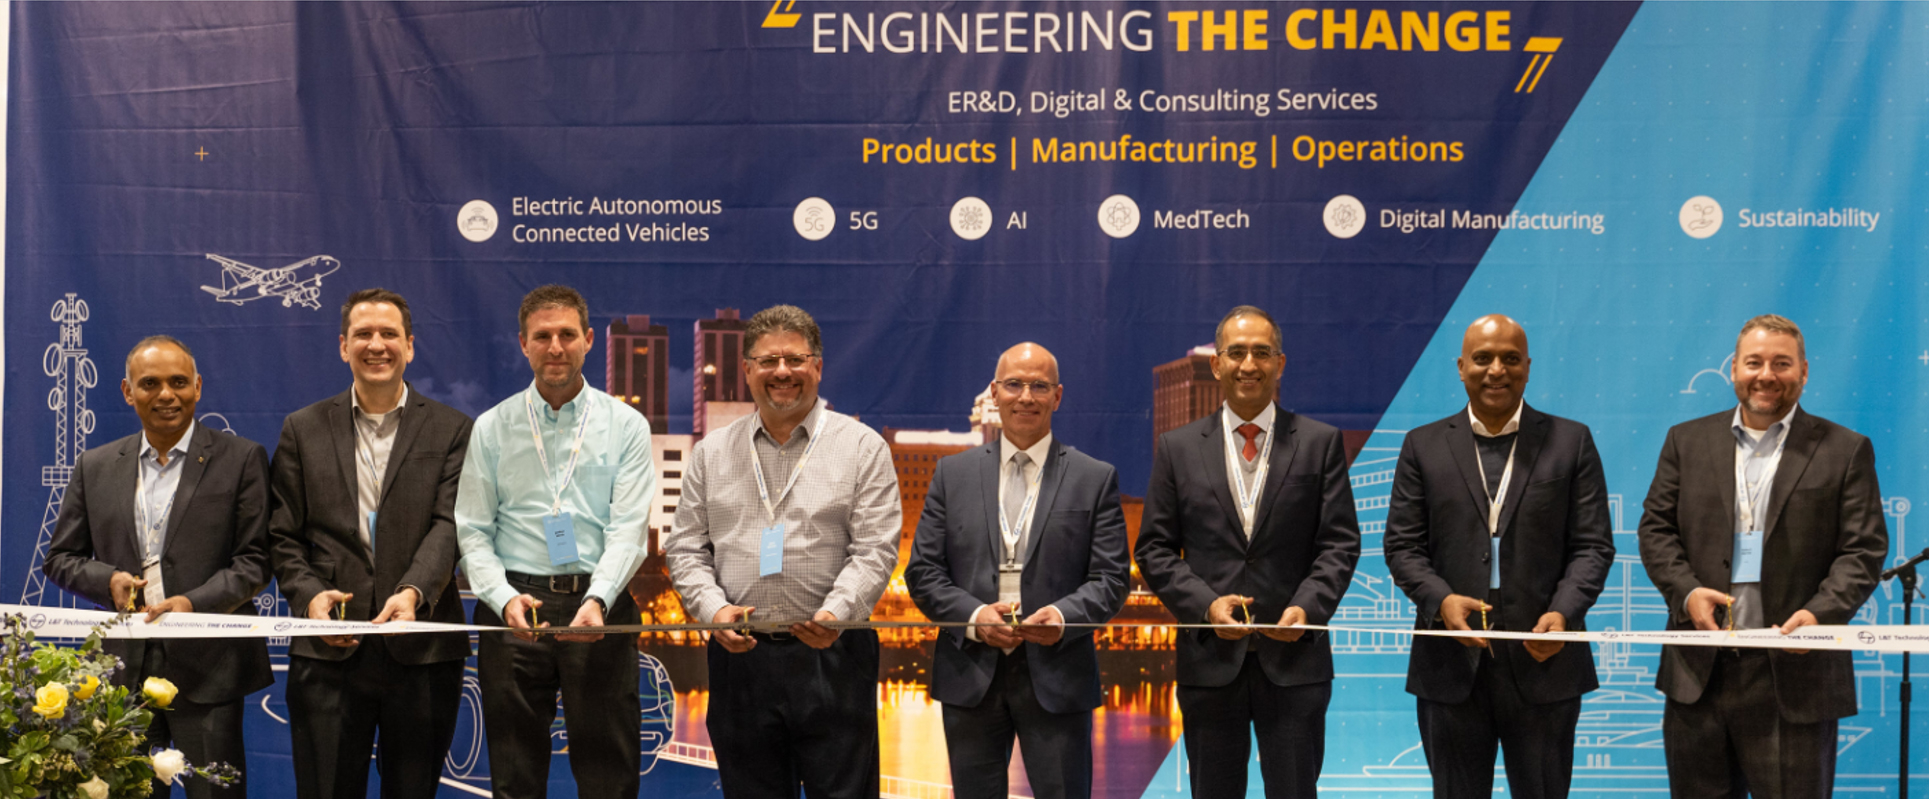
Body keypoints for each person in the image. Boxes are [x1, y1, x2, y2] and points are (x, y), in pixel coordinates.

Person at [1637, 314, 1887, 799]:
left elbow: (1863, 549)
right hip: (1699, 673)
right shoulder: (1685, 441)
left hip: (1795, 673)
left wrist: (1820, 615)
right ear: (1734, 368)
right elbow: (1656, 530)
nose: (1766, 375)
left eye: (1781, 363)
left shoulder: (1845, 449)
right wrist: (1686, 592)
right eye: (1754, 362)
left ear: (1804, 371)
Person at [666, 304, 900, 799]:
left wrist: (837, 613)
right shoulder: (711, 453)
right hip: (741, 656)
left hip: (833, 652)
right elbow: (685, 549)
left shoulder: (862, 447)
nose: (782, 372)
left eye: (795, 359)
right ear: (746, 370)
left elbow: (876, 550)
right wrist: (714, 611)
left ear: (818, 366)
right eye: (768, 361)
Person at [1382, 315, 1616, 799]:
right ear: (1460, 367)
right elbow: (1403, 546)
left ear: (1528, 367)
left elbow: (1593, 545)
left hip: (1545, 656)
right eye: (1483, 358)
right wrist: (1441, 602)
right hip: (1450, 661)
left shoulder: (1571, 441)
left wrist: (1564, 614)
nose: (1496, 370)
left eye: (1510, 359)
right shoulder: (1423, 446)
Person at [1134, 305, 1362, 798]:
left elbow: (1340, 543)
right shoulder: (1178, 448)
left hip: (1295, 663)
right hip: (1210, 663)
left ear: (1281, 363)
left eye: (1262, 352)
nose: (1249, 365)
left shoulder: (1320, 443)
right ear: (1217, 365)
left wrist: (1308, 607)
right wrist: (1205, 606)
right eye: (1236, 353)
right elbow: (1153, 549)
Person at [44, 335, 272, 799]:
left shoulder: (242, 459)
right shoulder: (94, 466)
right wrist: (108, 580)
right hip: (121, 675)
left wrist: (192, 603)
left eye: (178, 382)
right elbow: (60, 558)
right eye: (150, 383)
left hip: (209, 670)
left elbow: (256, 561)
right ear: (128, 391)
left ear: (198, 387)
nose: (166, 394)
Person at [268, 289, 473, 799]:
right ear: (343, 346)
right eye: (363, 334)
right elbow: (283, 535)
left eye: (389, 334)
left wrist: (413, 591)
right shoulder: (302, 429)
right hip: (329, 648)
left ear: (410, 345)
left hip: (422, 648)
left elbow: (451, 525)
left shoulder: (452, 429)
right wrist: (310, 597)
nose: (376, 345)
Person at [454, 285, 656, 799]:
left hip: (600, 606)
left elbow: (629, 529)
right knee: (515, 779)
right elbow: (473, 530)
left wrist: (598, 599)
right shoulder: (492, 427)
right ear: (523, 344)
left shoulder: (626, 426)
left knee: (609, 778)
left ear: (589, 339)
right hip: (514, 610)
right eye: (542, 336)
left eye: (567, 334)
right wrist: (502, 599)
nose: (556, 347)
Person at [904, 342, 1130, 799]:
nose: (1026, 396)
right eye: (1014, 385)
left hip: (1059, 674)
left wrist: (1062, 617)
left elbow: (1111, 579)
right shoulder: (952, 474)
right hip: (970, 675)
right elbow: (923, 571)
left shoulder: (1094, 477)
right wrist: (974, 618)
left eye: (1039, 386)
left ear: (1057, 396)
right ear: (995, 393)